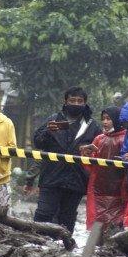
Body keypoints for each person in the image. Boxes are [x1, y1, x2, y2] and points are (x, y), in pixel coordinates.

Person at [33, 87, 101, 234]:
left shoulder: (92, 125)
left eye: (79, 101)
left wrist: (90, 151)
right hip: (51, 176)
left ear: (85, 103)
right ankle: (36, 244)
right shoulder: (53, 119)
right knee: (44, 213)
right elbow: (38, 143)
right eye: (72, 100)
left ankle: (64, 248)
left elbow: (99, 150)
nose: (76, 104)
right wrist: (47, 132)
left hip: (76, 178)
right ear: (65, 101)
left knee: (67, 217)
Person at [81, 106, 128, 237]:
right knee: (97, 228)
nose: (105, 122)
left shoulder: (126, 138)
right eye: (103, 119)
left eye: (108, 119)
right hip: (99, 189)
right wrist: (86, 154)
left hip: (120, 191)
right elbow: (90, 165)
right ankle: (94, 254)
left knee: (117, 230)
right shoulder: (99, 139)